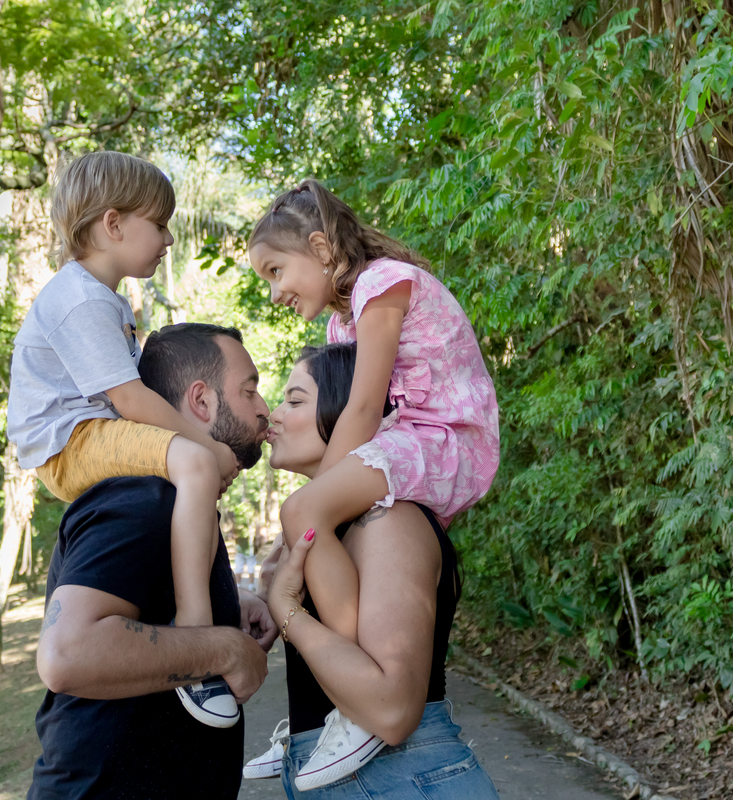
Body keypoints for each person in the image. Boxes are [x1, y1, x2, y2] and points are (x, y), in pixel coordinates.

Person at [245, 180, 500, 788]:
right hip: (408, 436)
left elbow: (359, 414)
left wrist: (310, 503)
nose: (276, 292)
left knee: (304, 511)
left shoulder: (379, 285)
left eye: (278, 271)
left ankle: (357, 707)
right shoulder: (342, 331)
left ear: (320, 246)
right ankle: (325, 715)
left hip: (445, 436)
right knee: (307, 520)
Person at [7, 152, 246, 726]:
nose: (167, 239)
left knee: (186, 474)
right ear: (113, 224)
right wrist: (212, 450)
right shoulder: (80, 298)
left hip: (88, 433)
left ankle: (190, 598)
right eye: (159, 225)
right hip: (72, 441)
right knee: (193, 464)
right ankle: (193, 626)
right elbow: (131, 401)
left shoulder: (103, 297)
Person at [30, 322, 279, 800]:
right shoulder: (143, 496)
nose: (264, 408)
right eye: (250, 391)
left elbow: (142, 595)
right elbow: (68, 652)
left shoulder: (177, 501)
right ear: (201, 401)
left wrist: (230, 600)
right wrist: (222, 649)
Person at [263, 343, 500, 799]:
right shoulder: (336, 528)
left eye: (294, 400)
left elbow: (390, 711)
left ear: (350, 409)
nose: (274, 414)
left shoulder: (390, 521)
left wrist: (287, 611)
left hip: (400, 780)